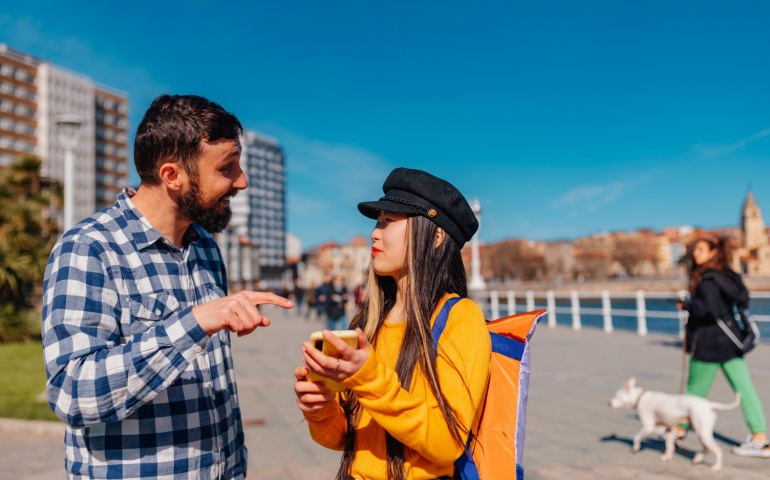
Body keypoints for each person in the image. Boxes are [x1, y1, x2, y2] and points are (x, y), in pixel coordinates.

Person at [41, 94, 294, 479]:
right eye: (227, 168)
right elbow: (74, 393)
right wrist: (194, 323)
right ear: (172, 175)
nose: (241, 181)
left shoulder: (206, 246)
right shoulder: (90, 248)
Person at [293, 167, 492, 479]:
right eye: (377, 222)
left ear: (436, 236)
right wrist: (320, 407)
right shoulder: (368, 321)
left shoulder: (460, 317)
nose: (375, 232)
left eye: (388, 222)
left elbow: (447, 443)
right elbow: (345, 439)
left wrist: (368, 376)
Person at [676, 235, 769, 458]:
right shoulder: (728, 276)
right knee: (745, 390)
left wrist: (688, 304)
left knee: (694, 392)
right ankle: (760, 439)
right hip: (730, 342)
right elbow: (741, 300)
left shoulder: (707, 279)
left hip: (708, 344)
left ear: (713, 252)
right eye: (694, 250)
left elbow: (708, 310)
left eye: (699, 249)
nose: (695, 253)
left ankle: (678, 431)